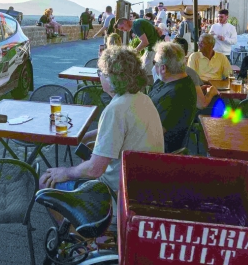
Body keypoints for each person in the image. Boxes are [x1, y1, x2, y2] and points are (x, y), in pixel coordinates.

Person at [38, 47, 163, 197]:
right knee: (85, 157)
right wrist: (88, 136)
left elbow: (95, 170)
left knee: (45, 182)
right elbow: (124, 131)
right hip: (146, 183)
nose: (99, 76)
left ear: (111, 79)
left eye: (101, 73)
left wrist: (65, 172)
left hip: (120, 192)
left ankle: (81, 219)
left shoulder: (115, 109)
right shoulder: (142, 99)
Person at [148, 43, 199, 152]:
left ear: (163, 68)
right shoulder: (164, 81)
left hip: (158, 151)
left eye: (154, 63)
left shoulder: (179, 93)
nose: (153, 66)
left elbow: (157, 132)